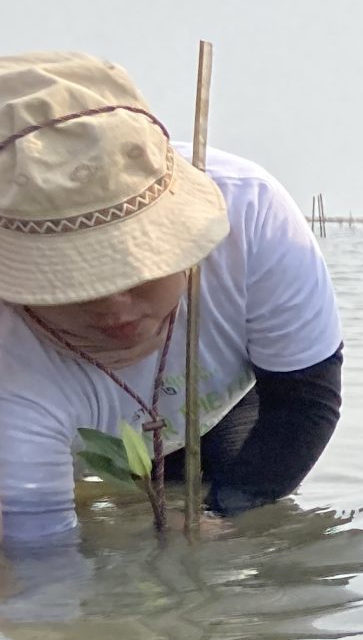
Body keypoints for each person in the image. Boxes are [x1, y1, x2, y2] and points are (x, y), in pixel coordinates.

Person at [0, 52, 342, 550]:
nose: (117, 310)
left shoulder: (252, 213)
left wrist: (222, 516)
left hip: (216, 412)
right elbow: (42, 555)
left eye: (138, 269)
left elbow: (304, 402)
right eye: (74, 287)